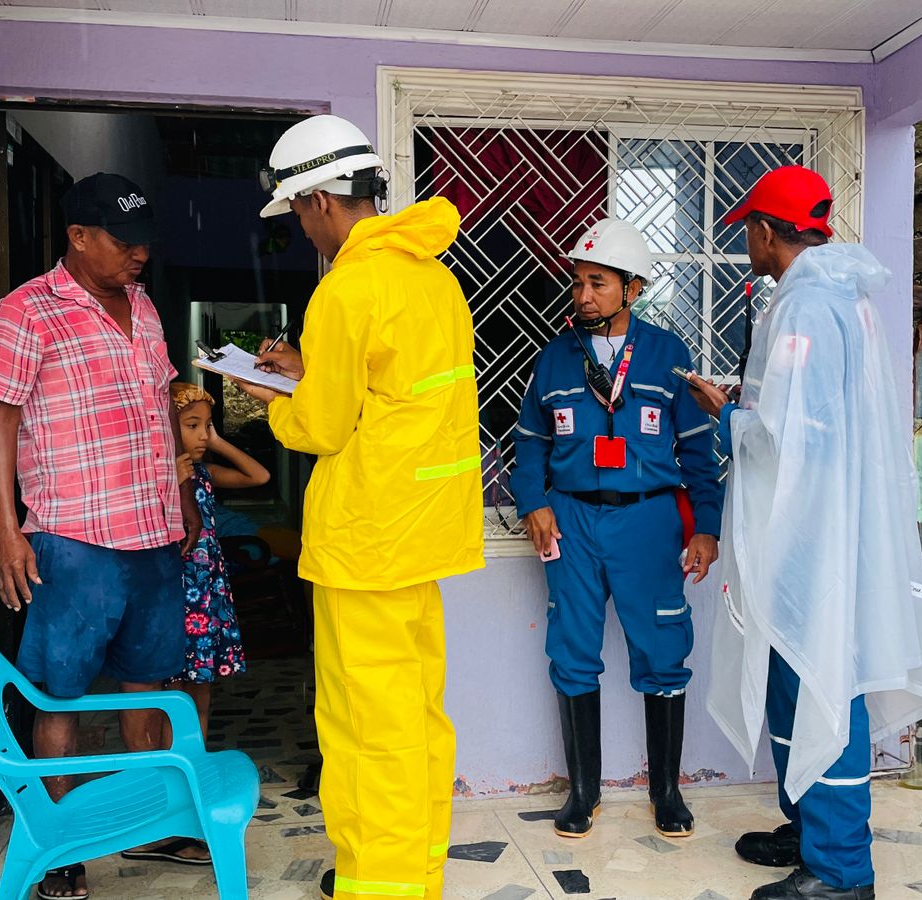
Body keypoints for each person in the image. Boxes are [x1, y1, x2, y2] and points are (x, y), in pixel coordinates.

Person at [236, 113, 484, 900]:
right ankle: (418, 873)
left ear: (317, 200)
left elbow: (322, 424)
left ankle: (377, 886)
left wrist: (269, 397)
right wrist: (315, 368)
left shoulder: (346, 287)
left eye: (299, 214)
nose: (303, 231)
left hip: (367, 541)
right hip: (424, 536)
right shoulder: (432, 275)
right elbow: (396, 393)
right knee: (416, 718)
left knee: (362, 726)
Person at [688, 165, 922, 900]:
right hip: (815, 519)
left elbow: (788, 434)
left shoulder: (806, 307)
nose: (746, 247)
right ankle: (808, 828)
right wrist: (748, 402)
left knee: (820, 681)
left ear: (768, 232)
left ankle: (839, 870)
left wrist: (725, 414)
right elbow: (812, 411)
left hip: (811, 531)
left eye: (748, 234)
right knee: (789, 682)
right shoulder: (837, 298)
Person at [0, 172, 207, 899]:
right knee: (61, 696)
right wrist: (6, 529)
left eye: (143, 240)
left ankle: (158, 823)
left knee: (151, 683)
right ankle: (59, 848)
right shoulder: (25, 312)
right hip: (73, 538)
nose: (138, 254)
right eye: (122, 239)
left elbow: (163, 404)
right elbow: (1, 421)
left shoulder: (143, 308)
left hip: (151, 532)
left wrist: (180, 491)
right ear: (78, 237)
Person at [510, 217, 723, 840]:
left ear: (632, 289)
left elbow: (698, 455)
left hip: (649, 521)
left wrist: (705, 526)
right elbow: (528, 449)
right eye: (578, 283)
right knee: (571, 650)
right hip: (571, 521)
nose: (583, 296)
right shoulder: (553, 359)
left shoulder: (666, 354)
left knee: (662, 650)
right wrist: (532, 503)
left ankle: (666, 793)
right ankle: (583, 793)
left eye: (597, 283)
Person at [162, 382, 269, 740]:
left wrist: (218, 441)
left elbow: (259, 476)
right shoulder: (154, 476)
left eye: (207, 426)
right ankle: (169, 776)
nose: (202, 435)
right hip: (172, 597)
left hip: (206, 597)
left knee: (201, 693)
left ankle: (197, 765)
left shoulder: (204, 474)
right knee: (170, 692)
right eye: (192, 426)